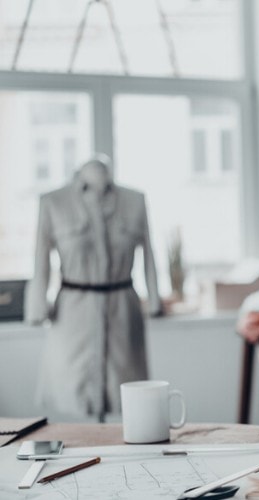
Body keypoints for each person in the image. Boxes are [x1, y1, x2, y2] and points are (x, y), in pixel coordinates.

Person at [25, 154, 162, 421]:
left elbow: (150, 255)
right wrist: (37, 307)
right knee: (77, 389)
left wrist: (155, 301)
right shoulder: (53, 202)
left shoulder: (135, 200)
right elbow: (40, 261)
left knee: (125, 390)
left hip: (122, 308)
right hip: (74, 313)